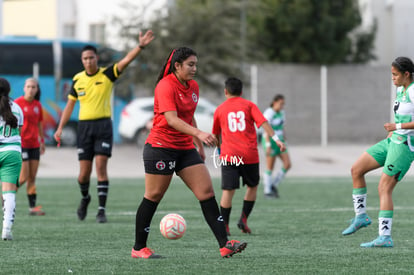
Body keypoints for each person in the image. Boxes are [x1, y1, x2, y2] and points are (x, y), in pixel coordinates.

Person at [131, 47, 247, 259]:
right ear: (177, 66)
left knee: (206, 193)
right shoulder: (165, 86)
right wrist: (200, 134)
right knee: (154, 196)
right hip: (160, 148)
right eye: (190, 65)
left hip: (185, 148)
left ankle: (225, 245)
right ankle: (139, 248)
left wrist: (198, 145)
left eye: (195, 64)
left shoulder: (193, 86)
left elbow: (188, 116)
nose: (195, 68)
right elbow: (172, 119)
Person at [54, 30, 155, 223]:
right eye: (85, 58)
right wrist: (60, 128)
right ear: (82, 61)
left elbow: (125, 61)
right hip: (84, 128)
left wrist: (140, 46)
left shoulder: (107, 74)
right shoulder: (78, 79)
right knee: (83, 175)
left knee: (101, 167)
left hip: (103, 127)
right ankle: (85, 198)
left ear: (96, 58)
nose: (88, 61)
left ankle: (101, 210)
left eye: (91, 57)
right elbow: (69, 105)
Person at [342, 56, 414, 248]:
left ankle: (385, 236)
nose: (392, 78)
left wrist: (396, 125)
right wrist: (394, 131)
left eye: (395, 75)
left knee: (384, 188)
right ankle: (361, 217)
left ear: (407, 74)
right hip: (392, 141)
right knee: (356, 170)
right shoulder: (401, 89)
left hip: (404, 147)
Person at [212, 77, 285, 236]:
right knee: (252, 187)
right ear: (241, 91)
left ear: (226, 91)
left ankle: (224, 226)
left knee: (228, 190)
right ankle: (243, 220)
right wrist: (276, 139)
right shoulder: (249, 105)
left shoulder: (220, 109)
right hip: (249, 155)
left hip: (229, 155)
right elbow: (264, 123)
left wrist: (219, 151)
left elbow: (216, 134)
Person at [14, 78, 46, 216]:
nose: (31, 89)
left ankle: (32, 208)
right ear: (24, 88)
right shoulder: (17, 103)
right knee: (23, 177)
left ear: (37, 89)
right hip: (22, 144)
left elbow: (39, 124)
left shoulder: (38, 105)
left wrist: (42, 141)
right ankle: (7, 193)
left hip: (34, 145)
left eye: (33, 87)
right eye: (28, 86)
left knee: (32, 177)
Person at [0, 78, 24, 240]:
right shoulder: (17, 108)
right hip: (12, 151)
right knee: (9, 193)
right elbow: (19, 132)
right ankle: (6, 229)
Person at [261, 94, 291, 198]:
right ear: (274, 102)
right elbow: (266, 129)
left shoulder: (282, 113)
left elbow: (282, 127)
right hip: (271, 141)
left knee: (287, 164)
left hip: (280, 141)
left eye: (283, 104)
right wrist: (268, 144)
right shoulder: (269, 112)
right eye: (280, 104)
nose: (282, 106)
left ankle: (273, 185)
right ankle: (267, 191)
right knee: (270, 166)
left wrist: (285, 140)